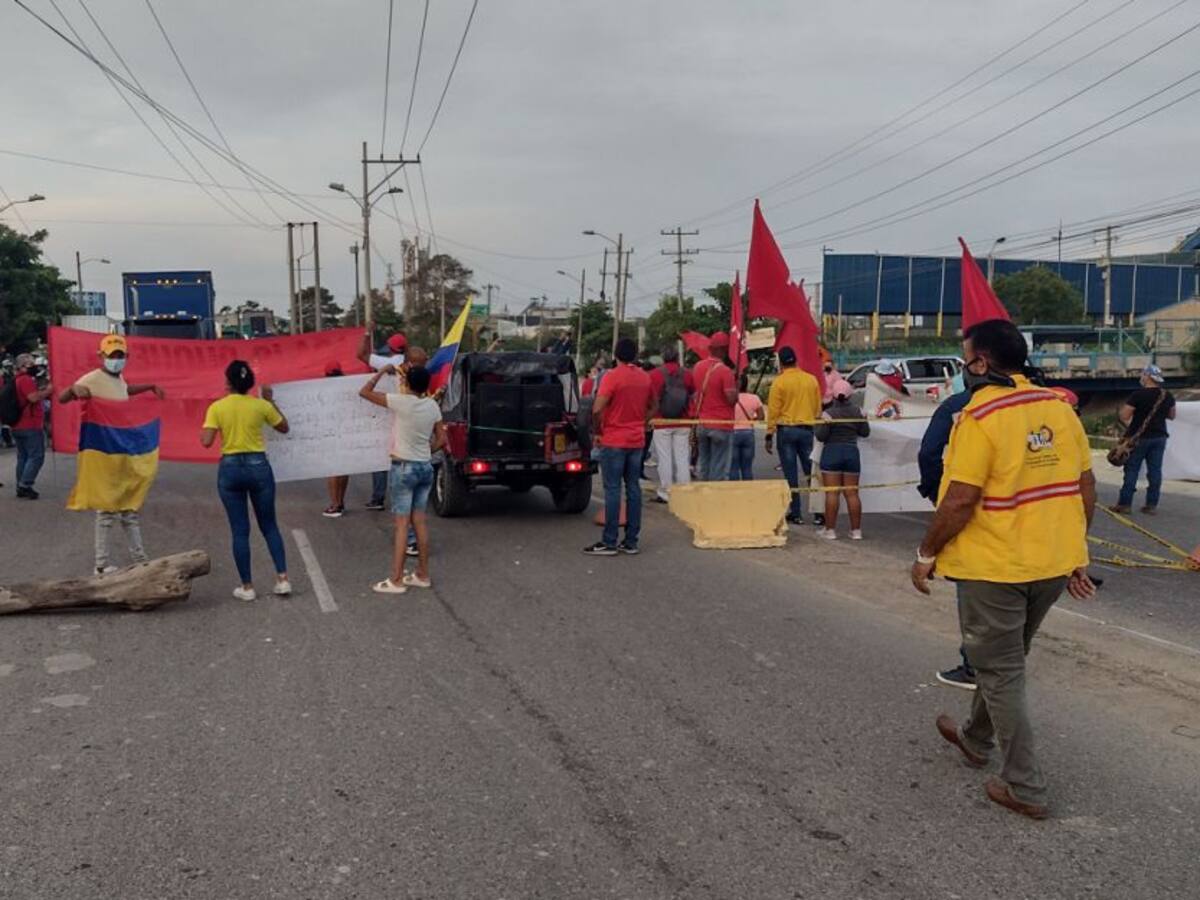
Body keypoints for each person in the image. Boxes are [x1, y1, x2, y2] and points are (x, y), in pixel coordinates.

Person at [911, 318, 1096, 820]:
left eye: (967, 357)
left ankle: (1025, 787)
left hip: (995, 568)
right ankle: (974, 739)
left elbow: (959, 500)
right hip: (1053, 563)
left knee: (1001, 669)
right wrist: (1077, 552)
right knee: (1005, 661)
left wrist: (926, 555)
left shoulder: (979, 415)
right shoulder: (1058, 409)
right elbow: (1085, 487)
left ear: (981, 362)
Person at [58, 334, 164, 574]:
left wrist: (149, 386)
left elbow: (126, 390)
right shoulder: (93, 378)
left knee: (129, 509)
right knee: (106, 512)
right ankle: (101, 565)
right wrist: (74, 389)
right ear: (101, 356)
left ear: (126, 357)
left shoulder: (119, 379)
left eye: (120, 355)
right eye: (112, 356)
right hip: (103, 453)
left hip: (123, 452)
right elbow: (64, 397)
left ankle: (140, 559)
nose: (116, 360)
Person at [201, 360, 291, 601]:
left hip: (230, 468)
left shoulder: (217, 407)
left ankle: (247, 587)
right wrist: (270, 400)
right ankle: (282, 579)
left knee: (240, 531)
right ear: (250, 382)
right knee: (269, 525)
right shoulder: (260, 405)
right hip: (258, 466)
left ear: (228, 382)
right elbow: (284, 427)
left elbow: (206, 441)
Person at [359, 363, 445, 592]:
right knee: (420, 522)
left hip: (403, 467)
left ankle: (396, 579)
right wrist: (427, 451)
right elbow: (442, 440)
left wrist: (380, 372)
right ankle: (422, 574)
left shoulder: (400, 402)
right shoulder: (432, 406)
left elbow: (364, 392)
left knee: (401, 525)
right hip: (424, 467)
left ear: (406, 383)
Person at [917, 375, 977, 691]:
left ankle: (974, 666)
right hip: (1031, 516)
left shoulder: (957, 406)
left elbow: (928, 454)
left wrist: (936, 491)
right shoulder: (1043, 403)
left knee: (972, 587)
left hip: (971, 512)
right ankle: (1007, 658)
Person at [584, 337, 653, 556]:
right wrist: (641, 422)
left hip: (614, 439)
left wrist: (598, 431)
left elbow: (596, 409)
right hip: (637, 440)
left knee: (613, 489)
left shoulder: (612, 377)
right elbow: (655, 405)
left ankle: (609, 541)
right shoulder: (644, 377)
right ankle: (631, 541)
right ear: (635, 355)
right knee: (633, 488)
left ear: (616, 355)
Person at [765, 346, 822, 524]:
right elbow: (817, 408)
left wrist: (769, 434)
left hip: (786, 431)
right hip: (807, 430)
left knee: (791, 474)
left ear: (781, 363)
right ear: (795, 360)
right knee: (811, 473)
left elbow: (774, 411)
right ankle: (819, 512)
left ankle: (795, 513)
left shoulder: (779, 383)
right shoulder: (811, 380)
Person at [1111, 364, 1176, 515]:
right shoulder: (1167, 395)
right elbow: (1172, 416)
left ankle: (1125, 504)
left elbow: (1124, 416)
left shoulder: (1138, 395)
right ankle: (1151, 505)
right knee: (1155, 471)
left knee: (1132, 469)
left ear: (1147, 376)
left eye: (1143, 374)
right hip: (1159, 437)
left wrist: (1134, 423)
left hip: (1138, 439)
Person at [357, 331, 408, 512]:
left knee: (379, 458)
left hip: (384, 412)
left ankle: (378, 498)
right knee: (402, 458)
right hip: (405, 414)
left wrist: (367, 333)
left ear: (391, 349)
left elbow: (361, 355)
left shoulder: (388, 363)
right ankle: (403, 499)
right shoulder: (409, 364)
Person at [813, 378, 868, 539]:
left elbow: (821, 436)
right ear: (850, 395)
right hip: (852, 453)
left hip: (832, 453)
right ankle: (856, 531)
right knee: (852, 493)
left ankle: (830, 530)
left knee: (832, 493)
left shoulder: (828, 413)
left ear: (834, 396)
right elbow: (865, 433)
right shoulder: (858, 411)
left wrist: (822, 423)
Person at [648, 345, 695, 502]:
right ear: (677, 358)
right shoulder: (687, 374)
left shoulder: (655, 374)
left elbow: (651, 397)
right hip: (683, 420)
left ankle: (666, 492)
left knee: (664, 458)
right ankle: (685, 490)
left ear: (663, 358)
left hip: (662, 421)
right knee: (682, 457)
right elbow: (693, 394)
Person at [691, 332, 737, 481]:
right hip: (721, 425)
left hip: (702, 424)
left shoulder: (697, 367)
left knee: (704, 464)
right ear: (724, 349)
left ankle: (703, 495)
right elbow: (731, 399)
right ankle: (715, 498)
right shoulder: (725, 371)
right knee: (719, 467)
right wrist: (736, 389)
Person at [11, 353, 53, 499]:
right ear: (22, 366)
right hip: (29, 423)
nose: (33, 366)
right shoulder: (25, 380)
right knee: (36, 456)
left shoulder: (16, 380)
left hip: (17, 424)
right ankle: (25, 485)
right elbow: (33, 397)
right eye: (30, 364)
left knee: (23, 456)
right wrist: (48, 391)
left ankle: (20, 484)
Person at [322, 361, 351, 518]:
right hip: (346, 432)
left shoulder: (324, 389)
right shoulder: (348, 387)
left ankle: (335, 504)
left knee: (332, 470)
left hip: (331, 432)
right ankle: (340, 502)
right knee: (344, 468)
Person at [729, 373, 764, 481]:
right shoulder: (754, 398)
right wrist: (750, 420)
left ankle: (734, 492)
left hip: (732, 432)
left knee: (733, 467)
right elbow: (761, 416)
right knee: (747, 467)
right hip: (748, 433)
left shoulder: (730, 399)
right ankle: (748, 490)